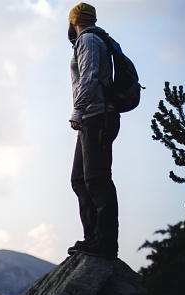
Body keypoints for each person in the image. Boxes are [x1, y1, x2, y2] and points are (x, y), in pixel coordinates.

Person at [66, 2, 120, 259]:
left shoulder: (87, 40)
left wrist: (77, 111)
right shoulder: (97, 39)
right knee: (80, 181)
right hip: (93, 117)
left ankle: (106, 242)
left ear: (73, 22)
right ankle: (92, 239)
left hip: (97, 117)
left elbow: (88, 76)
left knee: (97, 180)